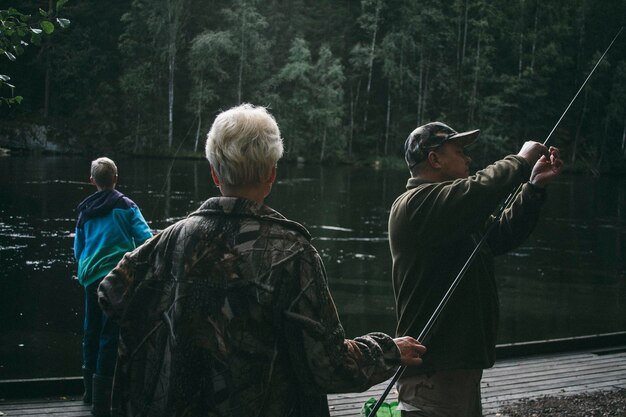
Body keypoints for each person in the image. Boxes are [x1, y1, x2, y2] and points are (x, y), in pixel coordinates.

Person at [97, 104, 426, 417]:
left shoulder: (170, 239)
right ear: (271, 174)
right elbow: (329, 367)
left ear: (214, 173)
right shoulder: (293, 253)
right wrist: (388, 350)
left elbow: (110, 294)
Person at [388, 122, 563, 417]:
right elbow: (481, 188)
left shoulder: (454, 212)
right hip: (433, 373)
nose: (468, 159)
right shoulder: (415, 204)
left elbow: (499, 235)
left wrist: (533, 188)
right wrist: (519, 161)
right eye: (459, 151)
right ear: (434, 159)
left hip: (457, 368)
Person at [74, 157, 152, 417]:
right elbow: (145, 240)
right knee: (110, 334)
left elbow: (78, 250)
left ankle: (88, 392)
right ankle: (101, 403)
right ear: (116, 179)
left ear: (92, 181)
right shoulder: (127, 206)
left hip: (90, 277)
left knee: (91, 330)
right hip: (117, 278)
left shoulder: (85, 211)